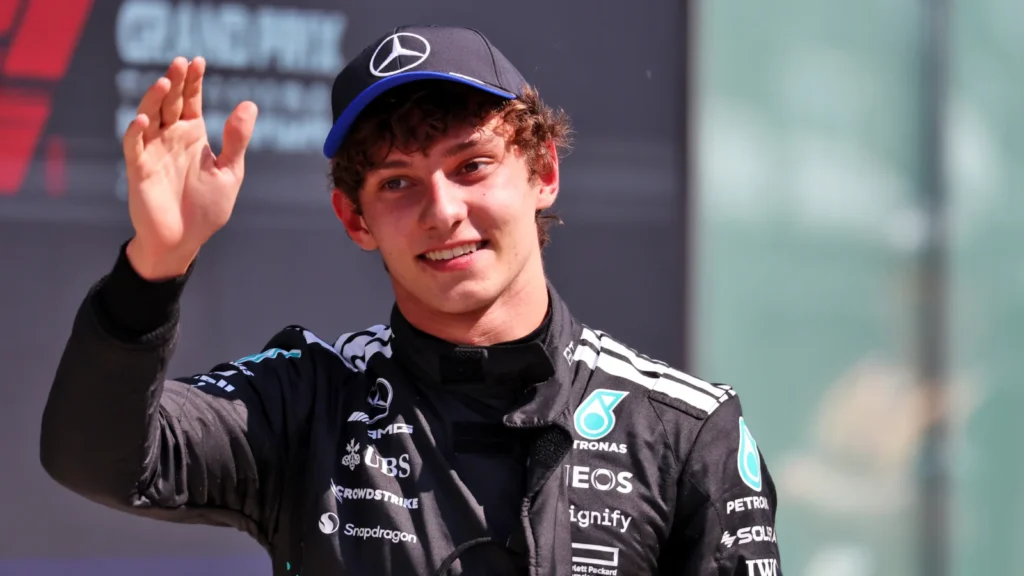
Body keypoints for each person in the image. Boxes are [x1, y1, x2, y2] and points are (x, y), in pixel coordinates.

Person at [39, 25, 783, 576]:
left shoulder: (683, 427)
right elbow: (98, 459)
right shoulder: (310, 398)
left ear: (543, 173)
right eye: (398, 182)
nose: (443, 209)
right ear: (355, 219)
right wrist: (156, 268)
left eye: (473, 165)